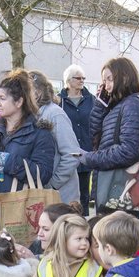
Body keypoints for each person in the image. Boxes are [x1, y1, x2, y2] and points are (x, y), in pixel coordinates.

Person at [80, 57, 139, 210]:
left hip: (120, 184)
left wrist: (90, 158)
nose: (106, 85)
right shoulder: (114, 106)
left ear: (124, 77)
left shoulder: (132, 104)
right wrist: (100, 105)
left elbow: (128, 151)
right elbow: (95, 137)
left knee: (115, 232)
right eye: (104, 81)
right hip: (110, 183)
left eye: (110, 79)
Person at [0, 70, 56, 194]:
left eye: (2, 98)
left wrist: (7, 161)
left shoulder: (40, 134)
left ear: (19, 102)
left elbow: (43, 175)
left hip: (19, 207)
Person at [30, 70, 81, 204]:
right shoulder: (31, 116)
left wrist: (53, 184)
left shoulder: (55, 114)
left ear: (38, 93)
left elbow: (73, 154)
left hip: (62, 198)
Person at [59, 65, 95, 212]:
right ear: (68, 80)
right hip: (66, 153)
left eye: (83, 78)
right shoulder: (59, 101)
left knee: (84, 193)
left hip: (86, 150)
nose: (82, 81)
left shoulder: (91, 100)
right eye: (78, 78)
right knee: (67, 192)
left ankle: (83, 221)